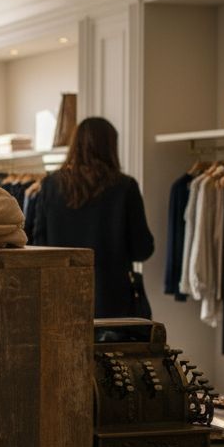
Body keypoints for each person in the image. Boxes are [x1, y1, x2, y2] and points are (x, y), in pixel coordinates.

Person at [29, 116, 155, 318]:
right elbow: (143, 249)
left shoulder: (51, 185)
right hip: (112, 303)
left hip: (60, 298)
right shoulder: (125, 187)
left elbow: (38, 244)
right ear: (110, 147)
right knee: (113, 350)